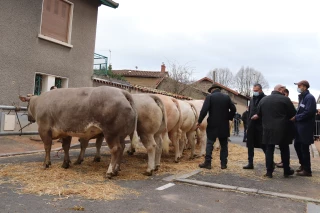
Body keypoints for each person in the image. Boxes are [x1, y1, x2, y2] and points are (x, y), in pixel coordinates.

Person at [253, 85, 297, 178]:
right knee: (284, 149)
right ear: (280, 89)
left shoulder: (264, 100)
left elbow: (259, 113)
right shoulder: (285, 100)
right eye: (283, 90)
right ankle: (286, 170)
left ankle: (269, 172)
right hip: (283, 128)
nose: (284, 92)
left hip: (267, 128)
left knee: (269, 150)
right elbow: (292, 113)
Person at [197, 84, 236, 170]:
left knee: (210, 144)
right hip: (224, 125)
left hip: (212, 124)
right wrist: (229, 117)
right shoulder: (226, 97)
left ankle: (208, 163)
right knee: (224, 145)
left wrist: (199, 121)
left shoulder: (210, 97)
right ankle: (223, 164)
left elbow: (204, 110)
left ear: (212, 90)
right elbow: (233, 109)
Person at [292, 80, 317, 177]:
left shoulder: (309, 98)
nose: (298, 87)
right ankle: (302, 165)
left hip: (305, 127)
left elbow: (309, 112)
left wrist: (296, 117)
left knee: (304, 148)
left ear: (305, 87)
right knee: (297, 145)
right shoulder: (303, 97)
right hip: (299, 127)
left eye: (299, 85)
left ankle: (307, 170)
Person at [243, 83, 266, 169]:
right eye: (254, 90)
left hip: (261, 125)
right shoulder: (252, 99)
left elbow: (266, 112)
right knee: (250, 144)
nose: (254, 92)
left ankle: (270, 162)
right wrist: (247, 126)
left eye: (256, 91)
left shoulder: (265, 99)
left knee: (263, 144)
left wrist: (259, 116)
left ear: (260, 90)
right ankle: (250, 163)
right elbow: (249, 112)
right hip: (251, 125)